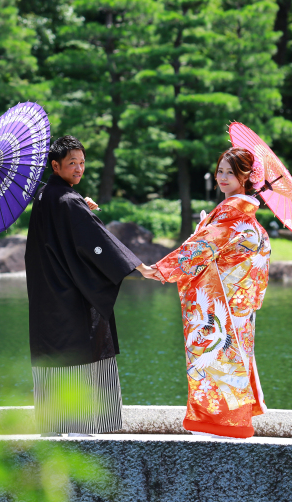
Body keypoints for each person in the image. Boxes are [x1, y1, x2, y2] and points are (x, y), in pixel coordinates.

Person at [138, 148, 271, 438]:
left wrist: (160, 270)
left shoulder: (230, 216)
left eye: (231, 172)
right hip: (239, 306)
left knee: (216, 360)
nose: (223, 178)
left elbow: (200, 250)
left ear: (246, 176)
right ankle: (234, 422)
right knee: (230, 361)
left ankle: (215, 424)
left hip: (221, 301)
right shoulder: (251, 222)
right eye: (220, 171)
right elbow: (258, 270)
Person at [25, 135, 146, 436]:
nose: (79, 169)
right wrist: (136, 265)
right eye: (71, 164)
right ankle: (84, 425)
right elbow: (94, 241)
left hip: (46, 294)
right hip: (69, 296)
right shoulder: (67, 200)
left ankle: (53, 425)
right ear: (55, 165)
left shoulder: (44, 196)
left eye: (81, 163)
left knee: (53, 353)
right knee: (83, 347)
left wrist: (80, 204)